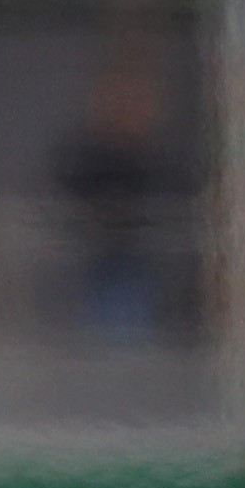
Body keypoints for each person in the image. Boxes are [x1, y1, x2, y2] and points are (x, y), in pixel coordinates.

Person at [56, 58, 172, 341]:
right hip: (102, 258)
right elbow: (72, 187)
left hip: (134, 260)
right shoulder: (90, 155)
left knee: (129, 320)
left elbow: (163, 196)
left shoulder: (151, 160)